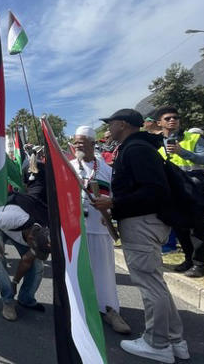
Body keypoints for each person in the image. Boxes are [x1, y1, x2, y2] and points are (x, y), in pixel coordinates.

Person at [94, 108, 188, 363]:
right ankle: (175, 340)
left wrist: (114, 203)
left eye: (111, 124)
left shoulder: (135, 149)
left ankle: (157, 344)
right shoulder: (137, 147)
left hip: (142, 223)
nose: (108, 129)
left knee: (149, 284)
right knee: (156, 283)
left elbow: (154, 191)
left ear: (122, 124)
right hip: (144, 221)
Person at [69, 126, 131, 334]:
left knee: (103, 271)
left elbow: (117, 197)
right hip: (74, 228)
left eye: (82, 142)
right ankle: (78, 310)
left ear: (92, 144)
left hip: (99, 227)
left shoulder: (106, 169)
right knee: (76, 269)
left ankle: (110, 310)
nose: (77, 145)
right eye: (75, 141)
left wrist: (111, 209)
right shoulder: (67, 168)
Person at [0, 191, 50, 322]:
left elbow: (26, 260)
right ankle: (8, 301)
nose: (32, 251)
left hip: (19, 232)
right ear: (30, 238)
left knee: (37, 265)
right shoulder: (14, 219)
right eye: (33, 248)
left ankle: (26, 298)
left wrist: (15, 282)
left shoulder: (43, 235)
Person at [156, 106, 204, 278]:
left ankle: (201, 264)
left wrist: (182, 152)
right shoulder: (155, 143)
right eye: (168, 118)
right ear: (159, 123)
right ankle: (189, 259)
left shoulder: (193, 137)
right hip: (172, 189)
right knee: (179, 226)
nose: (173, 120)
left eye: (176, 117)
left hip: (194, 186)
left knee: (197, 227)